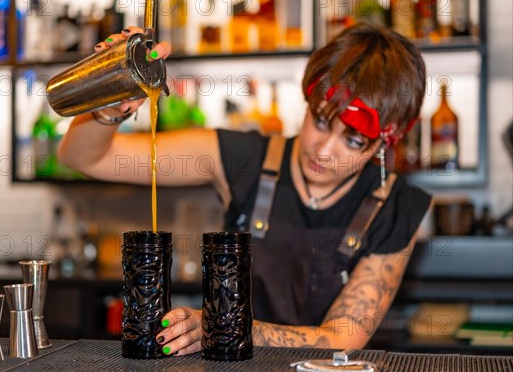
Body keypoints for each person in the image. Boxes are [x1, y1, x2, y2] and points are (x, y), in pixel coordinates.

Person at [58, 23, 432, 354]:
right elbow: (85, 158)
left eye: (353, 141)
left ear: (385, 143)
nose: (325, 149)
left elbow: (339, 339)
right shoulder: (243, 157)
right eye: (320, 120)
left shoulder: (397, 208)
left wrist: (219, 325)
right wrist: (112, 89)